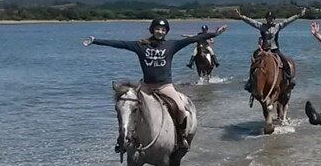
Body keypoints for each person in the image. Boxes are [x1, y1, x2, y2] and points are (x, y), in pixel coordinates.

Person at [83, 19, 227, 152]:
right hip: (145, 87)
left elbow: (193, 39)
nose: (160, 32)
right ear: (152, 30)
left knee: (181, 109)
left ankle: (181, 138)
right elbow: (120, 43)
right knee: (126, 109)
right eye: (158, 29)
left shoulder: (171, 45)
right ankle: (123, 140)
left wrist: (215, 34)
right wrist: (95, 41)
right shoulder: (141, 45)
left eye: (163, 30)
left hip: (165, 86)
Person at [232, 7, 306, 92]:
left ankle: (289, 78)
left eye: (271, 18)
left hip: (274, 49)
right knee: (254, 62)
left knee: (284, 61)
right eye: (268, 18)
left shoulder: (278, 26)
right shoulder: (262, 26)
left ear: (274, 19)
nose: (270, 20)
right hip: (264, 50)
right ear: (266, 19)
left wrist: (298, 15)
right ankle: (250, 81)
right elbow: (251, 22)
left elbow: (287, 21)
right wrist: (241, 16)